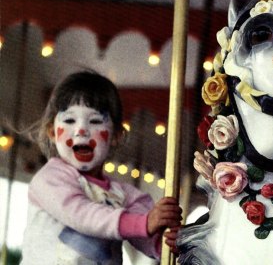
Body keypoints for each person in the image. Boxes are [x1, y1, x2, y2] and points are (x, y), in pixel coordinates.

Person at [20, 71, 182, 265]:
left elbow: (146, 234)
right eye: (70, 120)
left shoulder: (126, 196)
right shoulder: (50, 180)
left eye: (95, 121)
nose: (81, 130)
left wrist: (166, 242)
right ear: (52, 132)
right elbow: (81, 214)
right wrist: (144, 223)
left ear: (116, 136)